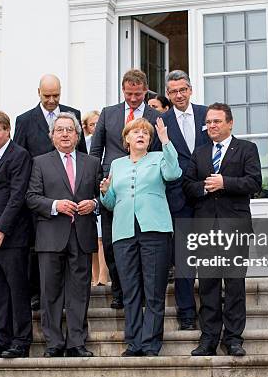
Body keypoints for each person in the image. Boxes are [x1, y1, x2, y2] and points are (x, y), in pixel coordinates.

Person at [183, 103, 262, 357]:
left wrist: (224, 182)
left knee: (235, 285)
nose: (212, 126)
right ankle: (208, 339)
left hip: (234, 226)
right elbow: (188, 186)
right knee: (208, 286)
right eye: (208, 122)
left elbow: (254, 183)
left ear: (230, 123)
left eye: (217, 121)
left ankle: (234, 338)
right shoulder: (200, 152)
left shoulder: (247, 149)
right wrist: (205, 188)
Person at [100, 117, 181, 357]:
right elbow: (112, 202)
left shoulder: (158, 158)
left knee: (154, 290)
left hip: (154, 230)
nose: (140, 135)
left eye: (145, 133)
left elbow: (174, 172)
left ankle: (151, 343)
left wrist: (165, 140)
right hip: (124, 232)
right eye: (135, 132)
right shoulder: (116, 165)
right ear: (126, 139)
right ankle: (134, 342)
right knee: (130, 289)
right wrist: (105, 193)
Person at [26, 113, 101, 358]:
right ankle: (54, 343)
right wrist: (56, 205)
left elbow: (102, 196)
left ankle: (77, 342)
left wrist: (94, 204)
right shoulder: (39, 162)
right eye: (60, 130)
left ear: (78, 135)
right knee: (50, 292)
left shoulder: (91, 162)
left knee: (79, 292)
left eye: (70, 130)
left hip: (81, 234)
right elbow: (31, 197)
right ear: (52, 136)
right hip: (50, 236)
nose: (65, 134)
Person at [13, 74, 87, 312]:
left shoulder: (72, 114)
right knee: (40, 248)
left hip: (73, 196)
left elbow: (83, 154)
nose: (52, 100)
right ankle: (38, 292)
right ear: (38, 93)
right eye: (47, 96)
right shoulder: (24, 120)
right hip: (40, 196)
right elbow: (20, 158)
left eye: (56, 95)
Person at [90, 69, 161, 309]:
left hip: (143, 189)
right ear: (123, 90)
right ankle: (119, 290)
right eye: (129, 94)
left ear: (146, 90)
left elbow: (160, 150)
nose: (133, 98)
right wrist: (99, 181)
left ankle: (138, 290)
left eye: (138, 94)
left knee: (140, 246)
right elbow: (96, 150)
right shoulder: (108, 114)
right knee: (111, 244)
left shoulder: (154, 115)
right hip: (112, 189)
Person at [0, 110, 33, 358]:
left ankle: (21, 341)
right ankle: (1, 339)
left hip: (12, 237)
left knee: (17, 290)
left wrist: (1, 228)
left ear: (7, 130)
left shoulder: (19, 155)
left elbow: (17, 196)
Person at [160, 70, 209, 331]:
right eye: (173, 91)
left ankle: (212, 309)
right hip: (177, 198)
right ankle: (187, 313)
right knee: (185, 258)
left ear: (190, 90)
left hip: (208, 196)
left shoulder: (206, 114)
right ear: (167, 94)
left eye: (183, 90)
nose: (178, 95)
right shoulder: (162, 121)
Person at [81, 109, 108, 286]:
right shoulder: (85, 144)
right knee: (93, 239)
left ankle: (104, 277)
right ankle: (94, 275)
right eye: (92, 124)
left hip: (104, 188)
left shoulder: (108, 141)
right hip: (90, 191)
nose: (96, 127)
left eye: (99, 124)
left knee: (102, 239)